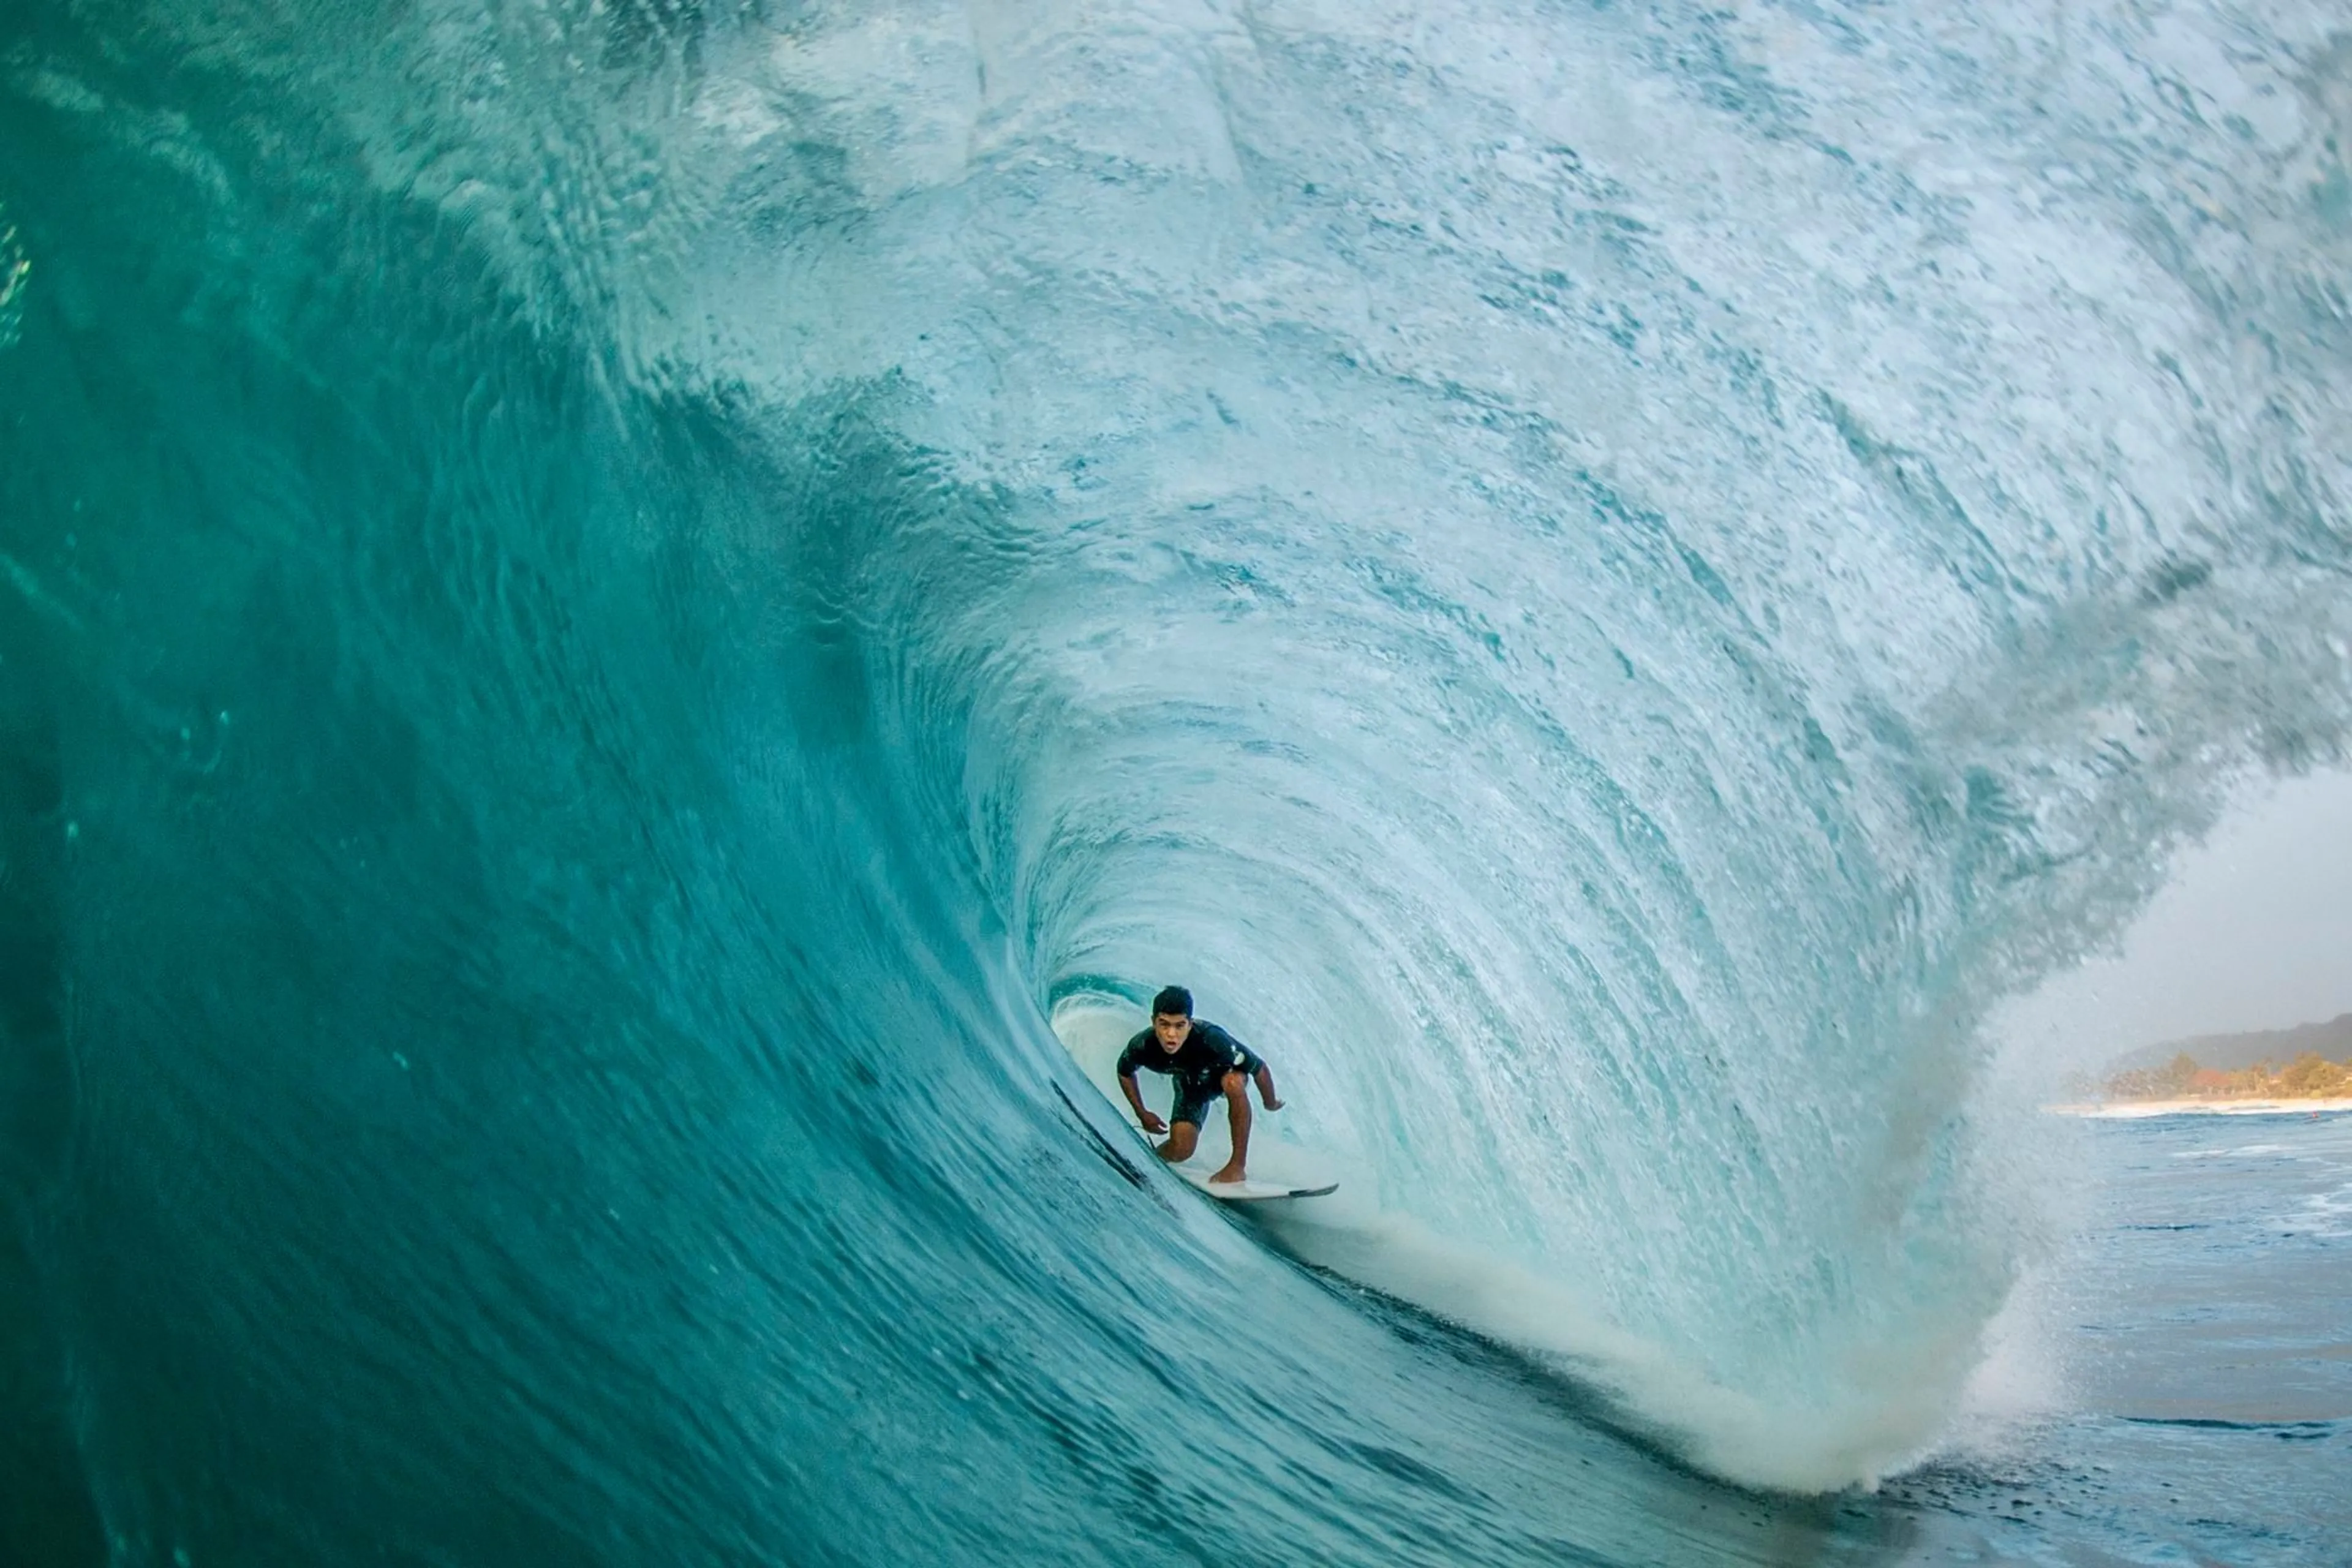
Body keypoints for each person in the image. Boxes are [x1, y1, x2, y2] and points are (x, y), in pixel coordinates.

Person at [1116, 986, 1283, 1183]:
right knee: (1182, 1149)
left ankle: (1237, 1166)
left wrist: (1270, 1102)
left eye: (1180, 1026)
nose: (1171, 1035)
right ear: (1153, 1022)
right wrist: (1142, 1113)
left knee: (1233, 1082)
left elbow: (1259, 1068)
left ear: (1190, 1024)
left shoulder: (1213, 1040)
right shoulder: (1143, 1046)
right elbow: (1124, 1072)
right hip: (1191, 1084)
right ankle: (1148, 1165)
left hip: (1224, 1076)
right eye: (1164, 1025)